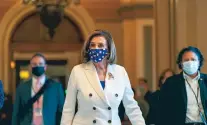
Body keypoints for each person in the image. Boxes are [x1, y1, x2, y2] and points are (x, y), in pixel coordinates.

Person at [61, 30, 145, 125]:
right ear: (88, 49)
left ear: (108, 50)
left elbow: (131, 106)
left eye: (100, 45)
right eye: (92, 45)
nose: (96, 48)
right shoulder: (78, 71)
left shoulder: (120, 72)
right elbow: (68, 108)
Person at [12, 53, 65, 125]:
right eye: (34, 64)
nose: (37, 66)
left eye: (40, 64)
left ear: (45, 67)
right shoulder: (22, 88)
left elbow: (61, 112)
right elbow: (16, 113)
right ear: (30, 67)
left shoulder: (56, 87)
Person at [159, 46, 207, 125]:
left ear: (199, 62)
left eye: (193, 59)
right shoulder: (171, 83)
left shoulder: (205, 80)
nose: (190, 62)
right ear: (181, 63)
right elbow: (164, 109)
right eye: (186, 60)